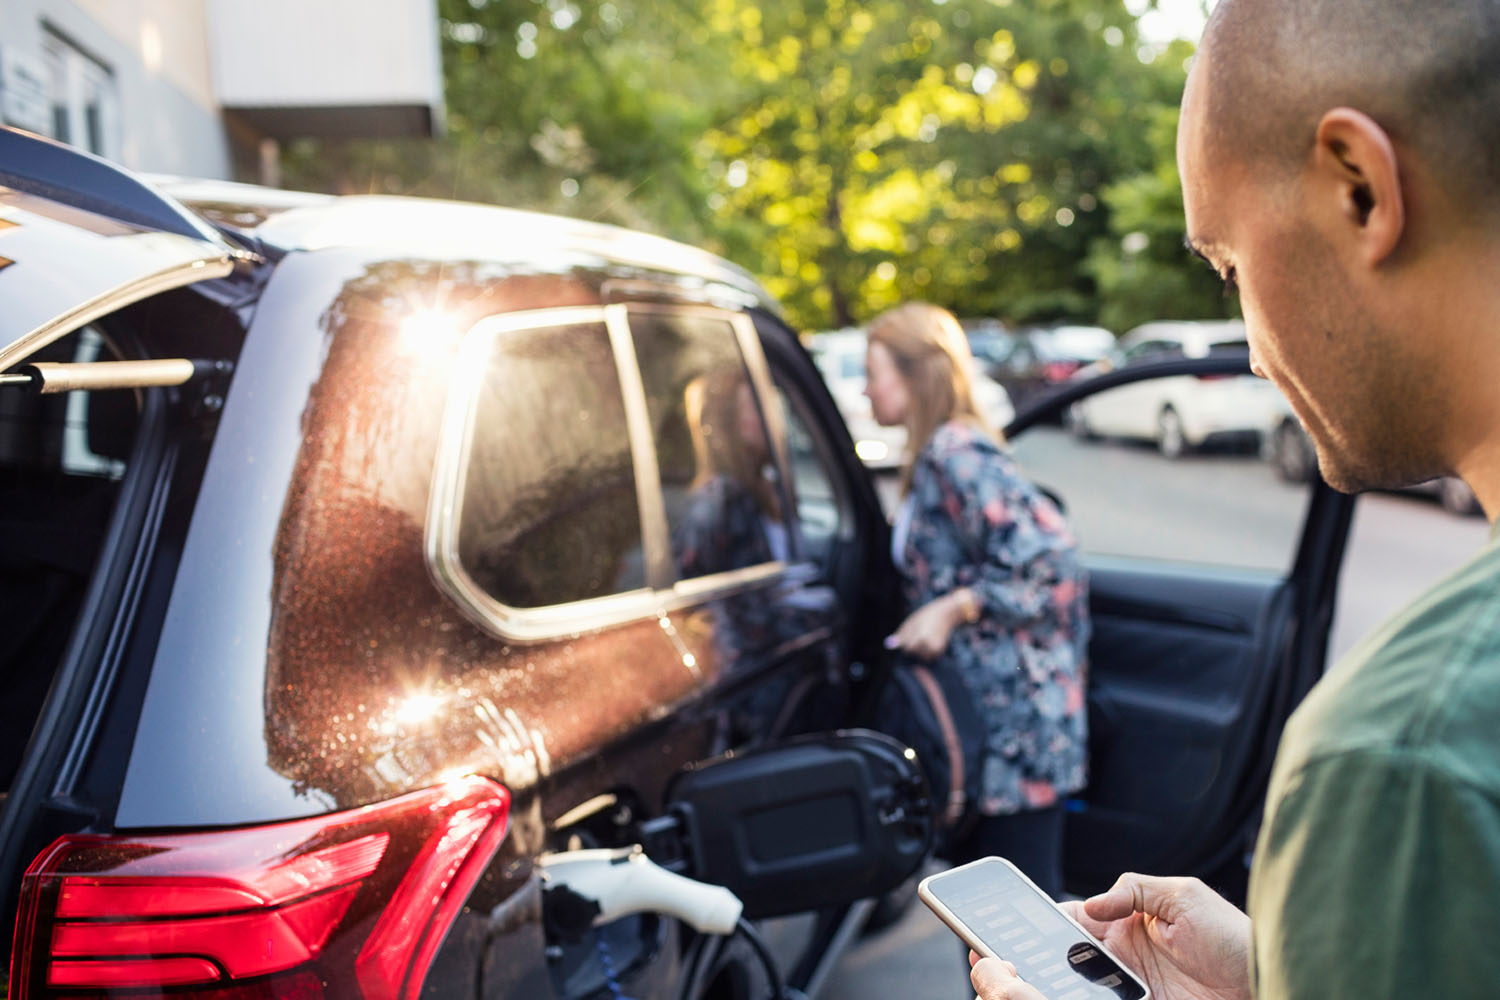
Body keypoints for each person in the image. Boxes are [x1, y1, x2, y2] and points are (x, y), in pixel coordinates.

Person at [972, 0, 1500, 997]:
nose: (1253, 353)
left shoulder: (1403, 757)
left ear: (1360, 189)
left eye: (1228, 266)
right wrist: (1282, 970)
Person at [865, 301, 1090, 897]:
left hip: (1015, 736)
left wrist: (955, 606)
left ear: (915, 376)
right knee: (991, 927)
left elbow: (1054, 564)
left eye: (874, 374)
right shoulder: (935, 455)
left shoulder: (956, 454)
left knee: (1019, 934)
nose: (865, 391)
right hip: (987, 733)